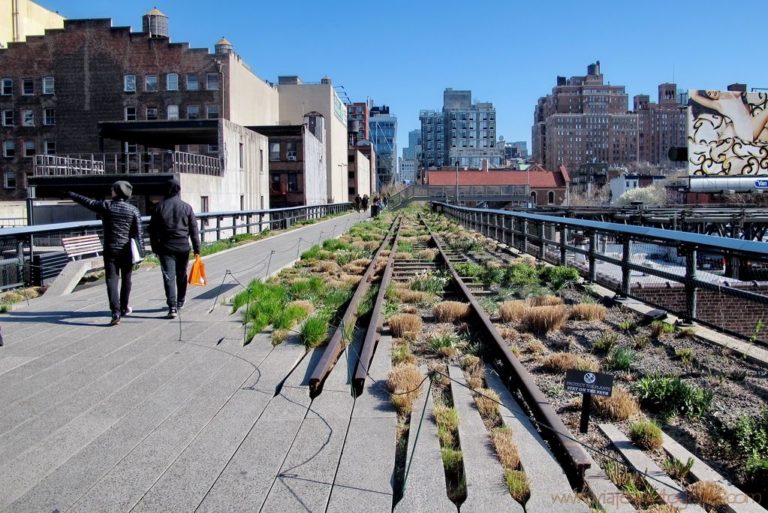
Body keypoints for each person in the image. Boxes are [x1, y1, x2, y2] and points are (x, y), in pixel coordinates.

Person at [69, 181, 143, 326]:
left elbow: (88, 202)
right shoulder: (133, 210)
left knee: (112, 280)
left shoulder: (107, 206)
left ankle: (115, 312)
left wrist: (72, 195)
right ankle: (124, 307)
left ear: (116, 192)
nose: (111, 191)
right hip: (127, 249)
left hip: (110, 249)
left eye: (112, 189)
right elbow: (138, 233)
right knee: (127, 279)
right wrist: (141, 254)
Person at [149, 178, 200, 319]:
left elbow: (152, 230)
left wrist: (155, 247)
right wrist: (197, 249)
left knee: (168, 276)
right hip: (183, 246)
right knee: (181, 274)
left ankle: (172, 307)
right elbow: (194, 230)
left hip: (166, 247)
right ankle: (180, 301)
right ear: (179, 190)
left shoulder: (159, 207)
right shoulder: (187, 207)